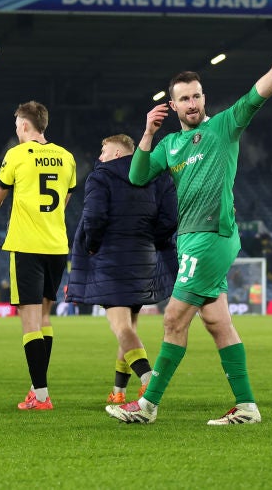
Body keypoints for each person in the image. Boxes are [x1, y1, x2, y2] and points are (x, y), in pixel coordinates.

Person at [106, 29, 272, 426]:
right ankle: (247, 406)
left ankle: (148, 405)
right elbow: (136, 176)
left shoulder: (222, 128)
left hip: (210, 237)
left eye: (197, 95)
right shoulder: (168, 146)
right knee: (219, 323)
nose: (192, 103)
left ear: (204, 98)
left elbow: (256, 96)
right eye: (184, 98)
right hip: (189, 238)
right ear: (173, 104)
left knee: (172, 320)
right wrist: (148, 133)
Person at [68, 134, 178, 405]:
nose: (99, 157)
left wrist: (92, 245)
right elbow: (170, 218)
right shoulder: (156, 175)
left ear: (118, 154)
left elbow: (94, 216)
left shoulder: (101, 176)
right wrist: (151, 239)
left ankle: (149, 381)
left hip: (112, 258)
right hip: (144, 259)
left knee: (121, 328)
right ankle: (119, 392)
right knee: (130, 327)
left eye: (103, 150)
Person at [0, 101, 76, 411]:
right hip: (57, 246)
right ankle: (38, 389)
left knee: (30, 322)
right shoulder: (66, 157)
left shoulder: (17, 155)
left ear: (24, 126)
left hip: (27, 247)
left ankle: (42, 396)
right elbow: (66, 198)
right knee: (45, 318)